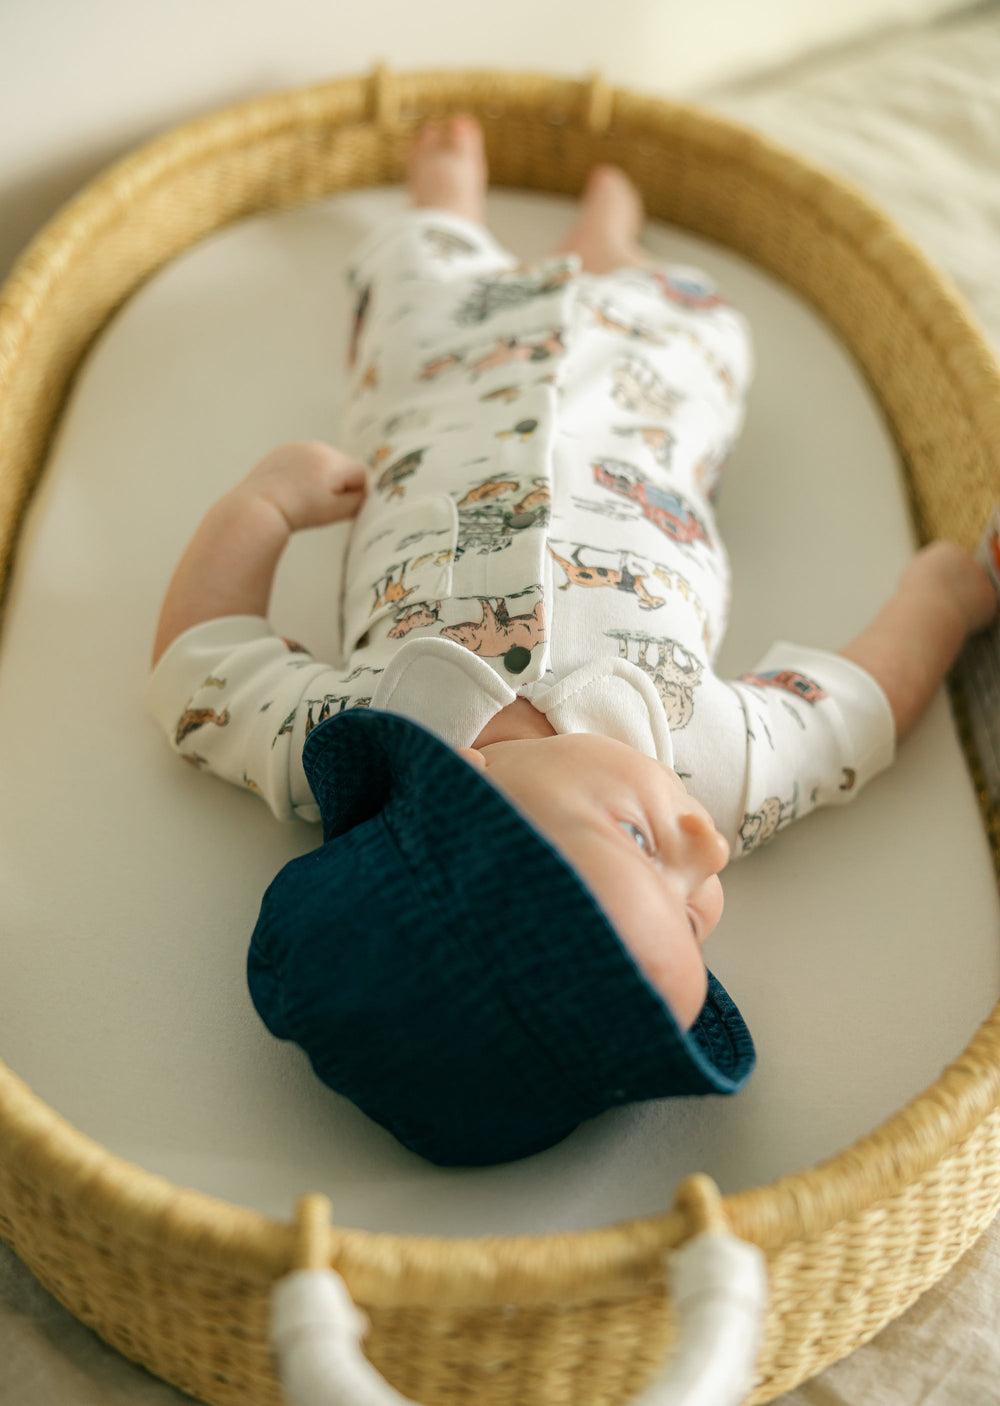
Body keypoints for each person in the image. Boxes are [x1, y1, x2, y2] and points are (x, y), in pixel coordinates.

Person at [147, 116, 997, 1166]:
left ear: (462, 794)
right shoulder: (710, 764)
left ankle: (445, 207)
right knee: (697, 327)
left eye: (647, 849)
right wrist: (943, 602)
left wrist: (263, 511)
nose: (710, 853)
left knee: (417, 294)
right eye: (696, 925)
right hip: (640, 414)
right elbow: (857, 709)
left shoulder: (349, 738)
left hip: (444, 383)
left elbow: (200, 666)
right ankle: (612, 240)